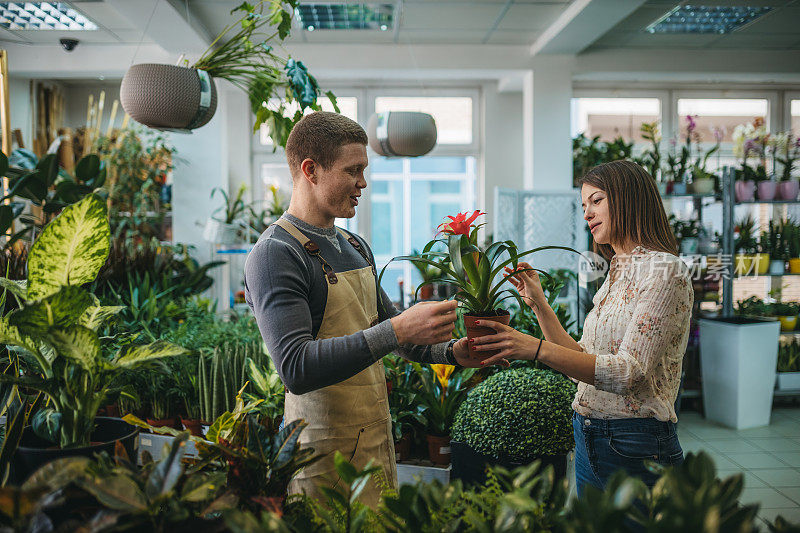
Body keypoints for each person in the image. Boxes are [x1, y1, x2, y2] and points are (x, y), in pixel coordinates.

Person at [244, 111, 475, 507]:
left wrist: (453, 353)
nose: (363, 183)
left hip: (374, 440)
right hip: (322, 453)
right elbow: (296, 368)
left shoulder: (354, 245)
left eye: (363, 170)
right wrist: (399, 330)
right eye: (353, 170)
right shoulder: (276, 254)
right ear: (311, 170)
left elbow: (389, 332)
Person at [472, 160, 693, 496]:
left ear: (629, 199)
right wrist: (540, 305)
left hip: (635, 444)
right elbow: (583, 362)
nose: (587, 213)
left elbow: (627, 373)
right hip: (589, 435)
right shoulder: (617, 269)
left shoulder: (665, 271)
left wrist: (533, 348)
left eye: (597, 200)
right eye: (584, 205)